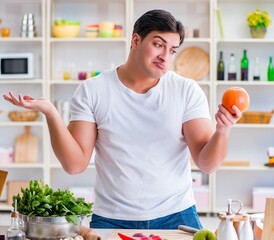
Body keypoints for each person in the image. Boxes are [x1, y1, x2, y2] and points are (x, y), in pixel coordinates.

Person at [3, 9, 242, 230]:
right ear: (135, 41)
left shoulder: (187, 91)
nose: (165, 56)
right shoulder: (93, 90)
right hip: (112, 219)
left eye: (172, 50)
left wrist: (222, 130)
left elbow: (207, 163)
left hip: (177, 215)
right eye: (158, 45)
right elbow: (74, 165)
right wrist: (51, 113)